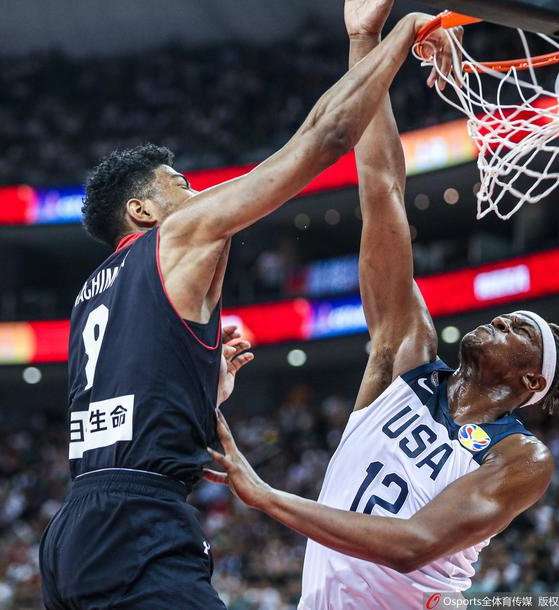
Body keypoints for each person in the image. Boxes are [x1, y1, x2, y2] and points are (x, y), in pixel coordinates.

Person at [38, 9, 458, 610]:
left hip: (74, 529)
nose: (197, 193)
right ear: (142, 211)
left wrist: (199, 390)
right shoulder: (176, 236)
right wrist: (401, 32)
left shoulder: (91, 293)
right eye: (181, 184)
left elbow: (121, 408)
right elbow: (326, 137)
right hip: (136, 523)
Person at [203, 1, 559, 608]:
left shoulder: (521, 456)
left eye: (517, 327)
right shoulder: (405, 356)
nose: (499, 318)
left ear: (529, 381)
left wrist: (266, 495)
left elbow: (415, 544)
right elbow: (382, 191)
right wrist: (366, 41)